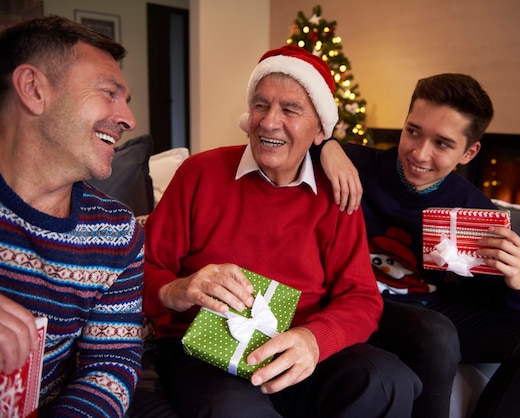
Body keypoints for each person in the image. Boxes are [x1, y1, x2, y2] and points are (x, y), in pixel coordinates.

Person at [142, 44, 421, 417]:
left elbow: (362, 298)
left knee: (388, 381)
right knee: (233, 410)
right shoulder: (200, 173)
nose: (269, 122)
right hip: (203, 350)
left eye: (290, 110)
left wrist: (313, 339)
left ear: (320, 130)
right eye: (261, 105)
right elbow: (138, 270)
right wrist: (177, 288)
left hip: (298, 348)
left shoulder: (337, 194)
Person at [316, 73, 520, 418]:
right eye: (413, 131)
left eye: (443, 144)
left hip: (427, 309)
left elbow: (513, 312)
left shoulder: (473, 209)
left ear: (470, 152)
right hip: (359, 301)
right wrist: (326, 146)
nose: (420, 153)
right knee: (435, 330)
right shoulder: (354, 166)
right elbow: (288, 138)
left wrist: (519, 280)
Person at [0, 16, 144, 417]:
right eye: (108, 93)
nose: (129, 120)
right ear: (33, 90)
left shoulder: (118, 234)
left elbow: (110, 365)